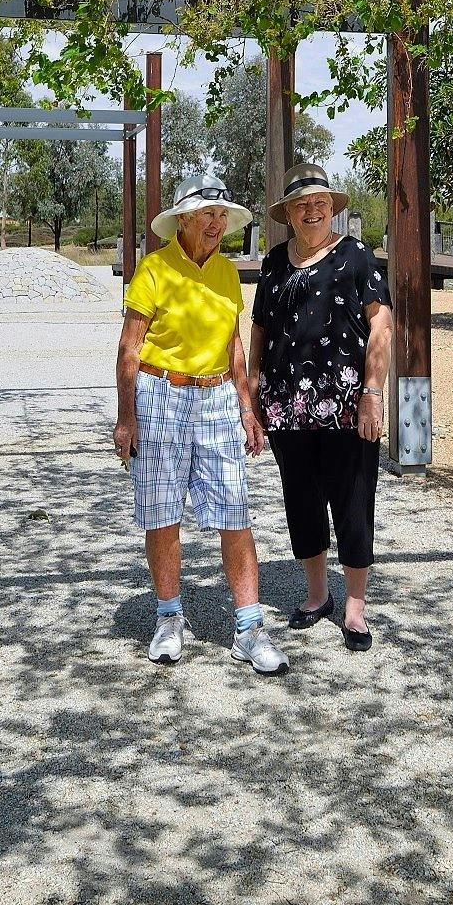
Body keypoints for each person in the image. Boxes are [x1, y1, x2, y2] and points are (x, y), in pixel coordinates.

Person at [115, 178, 288, 674]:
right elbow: (129, 347)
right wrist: (126, 417)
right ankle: (169, 617)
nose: (214, 224)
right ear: (183, 220)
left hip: (215, 396)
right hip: (160, 392)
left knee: (235, 509)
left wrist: (247, 408)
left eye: (221, 216)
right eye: (205, 214)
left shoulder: (228, 274)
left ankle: (250, 627)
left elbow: (234, 345)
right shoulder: (153, 269)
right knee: (162, 510)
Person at [249, 162, 392, 651]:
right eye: (301, 205)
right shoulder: (273, 262)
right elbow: (261, 330)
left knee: (353, 501)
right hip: (287, 405)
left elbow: (382, 327)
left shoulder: (357, 257)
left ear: (331, 207)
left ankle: (355, 606)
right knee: (302, 501)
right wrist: (252, 388)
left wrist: (373, 392)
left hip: (348, 405)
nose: (311, 211)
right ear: (287, 214)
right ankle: (317, 594)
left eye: (319, 203)